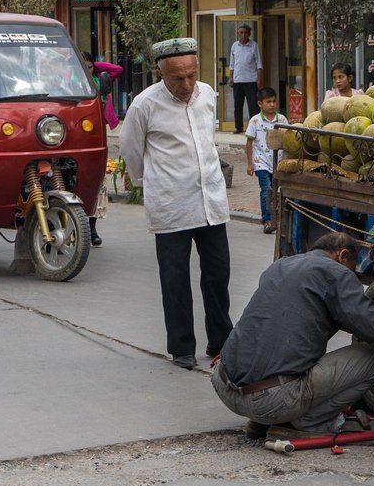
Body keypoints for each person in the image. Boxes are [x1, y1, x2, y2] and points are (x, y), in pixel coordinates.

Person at [210, 231, 374, 440]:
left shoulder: (281, 265)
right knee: (372, 359)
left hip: (225, 386)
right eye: (352, 268)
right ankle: (308, 422)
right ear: (342, 255)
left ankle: (267, 416)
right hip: (269, 400)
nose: (351, 274)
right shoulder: (336, 273)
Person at [119, 38, 234, 369]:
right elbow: (130, 149)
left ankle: (221, 341)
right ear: (159, 73)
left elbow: (206, 139)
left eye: (191, 75)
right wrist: (151, 181)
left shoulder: (208, 94)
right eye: (176, 78)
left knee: (217, 275)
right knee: (175, 279)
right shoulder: (145, 105)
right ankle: (182, 347)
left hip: (210, 200)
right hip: (171, 205)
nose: (185, 84)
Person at [84, 53, 123, 247]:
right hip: (77, 132)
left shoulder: (100, 80)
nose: (86, 70)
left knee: (98, 181)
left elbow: (117, 69)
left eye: (89, 67)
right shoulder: (68, 78)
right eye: (81, 66)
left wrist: (95, 67)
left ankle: (91, 228)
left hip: (97, 133)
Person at [244, 86, 288, 234]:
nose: (272, 104)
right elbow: (249, 142)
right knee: (266, 189)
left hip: (278, 162)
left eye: (274, 101)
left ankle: (278, 217)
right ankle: (268, 219)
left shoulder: (282, 119)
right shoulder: (255, 121)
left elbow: (288, 140)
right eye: (268, 102)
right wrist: (250, 164)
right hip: (260, 161)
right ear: (260, 104)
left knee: (277, 190)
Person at [230, 24, 262, 134]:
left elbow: (259, 64)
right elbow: (232, 64)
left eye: (245, 33)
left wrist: (259, 79)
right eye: (241, 33)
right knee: (237, 106)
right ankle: (238, 127)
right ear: (238, 34)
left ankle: (255, 128)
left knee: (253, 106)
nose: (243, 35)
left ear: (249, 34)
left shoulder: (253, 46)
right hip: (238, 80)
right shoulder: (234, 46)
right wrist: (230, 77)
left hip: (251, 80)